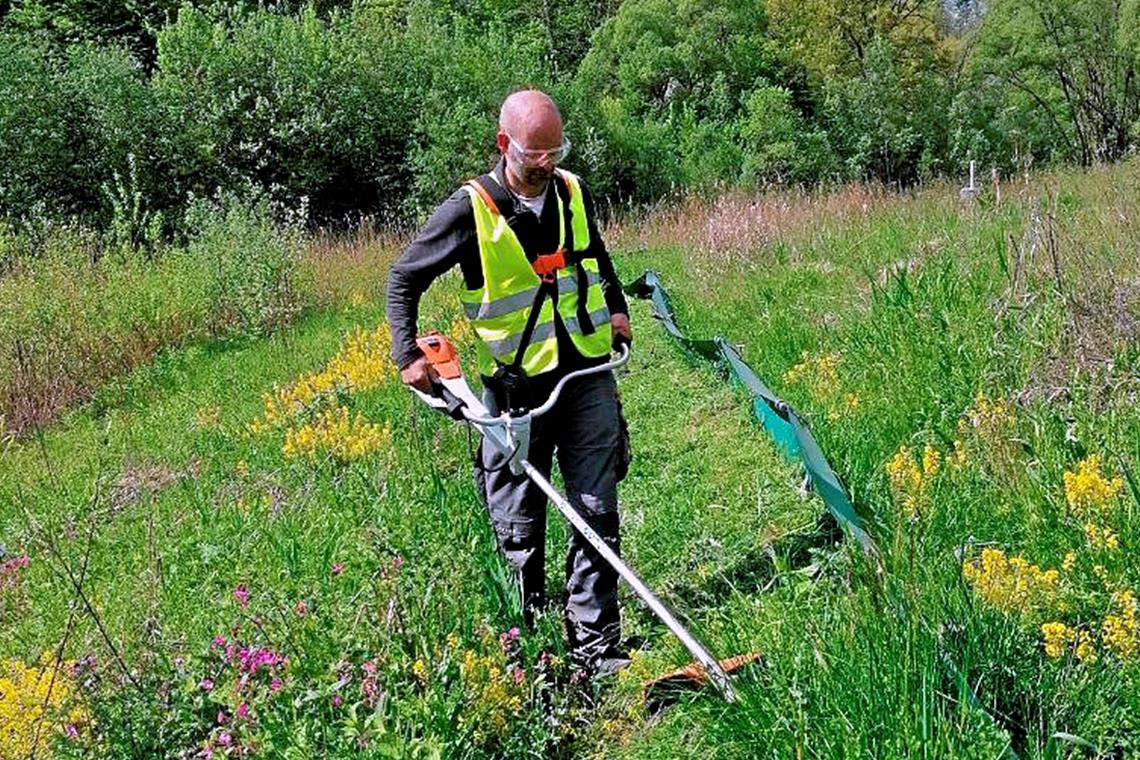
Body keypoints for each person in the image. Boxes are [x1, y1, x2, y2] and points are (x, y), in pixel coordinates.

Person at [386, 89, 633, 674]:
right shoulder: (470, 210)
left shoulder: (572, 191)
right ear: (504, 145)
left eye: (556, 150)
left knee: (596, 511)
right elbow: (403, 278)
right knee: (519, 526)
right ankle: (530, 646)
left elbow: (594, 254)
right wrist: (406, 354)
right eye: (534, 154)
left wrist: (617, 306)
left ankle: (596, 647)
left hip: (585, 374)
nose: (547, 164)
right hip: (514, 391)